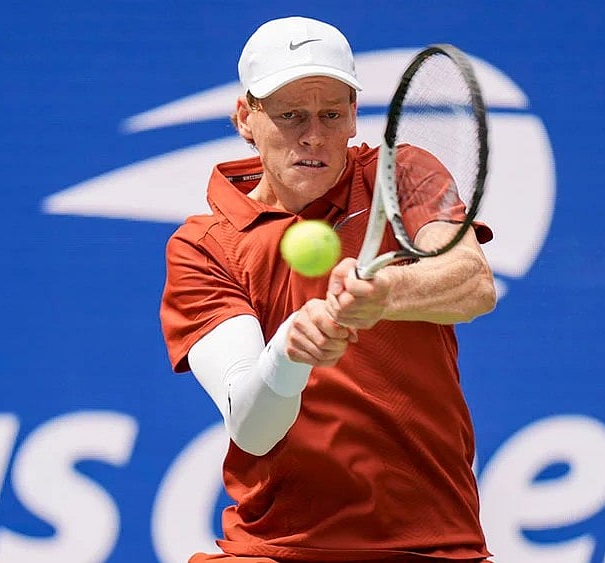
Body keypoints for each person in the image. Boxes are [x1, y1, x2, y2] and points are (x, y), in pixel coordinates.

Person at [160, 16, 496, 563]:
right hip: (275, 548)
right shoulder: (204, 246)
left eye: (331, 114)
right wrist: (290, 352)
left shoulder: (402, 173)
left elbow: (472, 283)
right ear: (246, 118)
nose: (313, 135)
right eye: (290, 115)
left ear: (353, 116)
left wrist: (384, 293)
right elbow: (252, 428)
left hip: (431, 544)